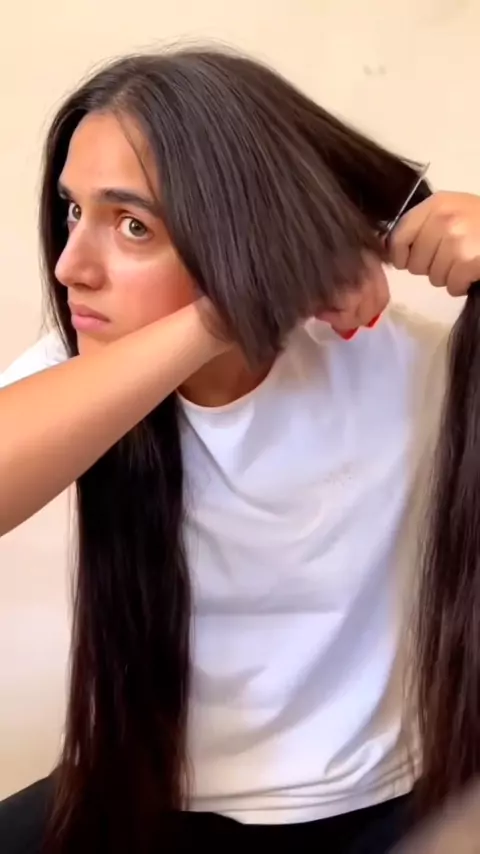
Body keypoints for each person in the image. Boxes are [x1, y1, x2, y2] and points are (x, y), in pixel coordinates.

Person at [0, 47, 479, 854]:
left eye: (132, 225)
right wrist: (224, 314)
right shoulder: (81, 373)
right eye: (73, 212)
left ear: (235, 227)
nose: (70, 264)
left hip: (386, 807)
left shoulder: (404, 364)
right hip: (150, 798)